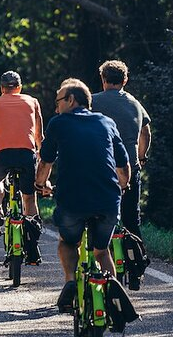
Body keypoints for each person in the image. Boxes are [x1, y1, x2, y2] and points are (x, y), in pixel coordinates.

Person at [34, 79, 130, 313]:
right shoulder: (107, 122)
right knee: (102, 250)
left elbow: (46, 161)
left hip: (72, 201)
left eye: (58, 101)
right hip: (107, 201)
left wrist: (40, 184)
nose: (56, 108)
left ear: (71, 100)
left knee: (68, 242)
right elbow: (123, 165)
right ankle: (111, 295)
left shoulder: (58, 123)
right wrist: (123, 186)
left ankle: (70, 283)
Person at [0, 70, 44, 264]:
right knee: (29, 197)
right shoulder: (32, 101)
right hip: (26, 155)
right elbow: (39, 136)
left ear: (1, 88)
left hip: (3, 155)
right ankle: (32, 243)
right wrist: (40, 154)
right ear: (20, 87)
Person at [91, 60, 151, 239]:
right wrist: (141, 156)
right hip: (129, 168)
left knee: (96, 216)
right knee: (131, 219)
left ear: (103, 79)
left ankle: (98, 256)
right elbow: (145, 132)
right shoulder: (136, 104)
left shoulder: (92, 101)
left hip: (100, 168)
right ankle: (138, 259)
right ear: (125, 80)